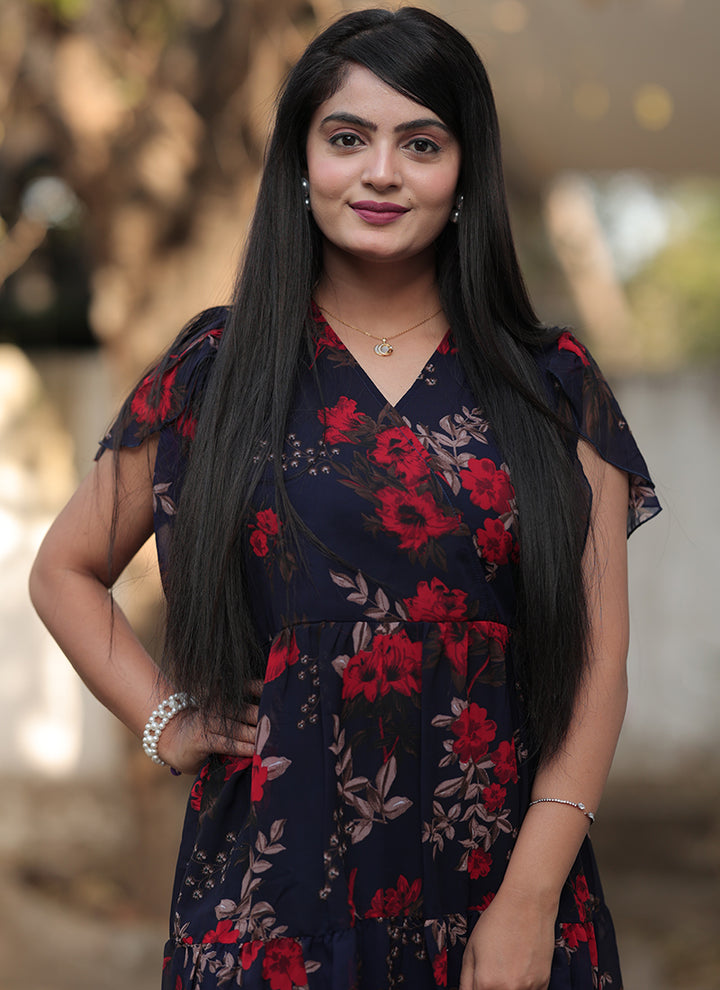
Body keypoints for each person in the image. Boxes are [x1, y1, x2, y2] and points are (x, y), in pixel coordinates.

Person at [30, 7, 661, 989]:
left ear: (465, 174)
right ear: (301, 162)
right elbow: (62, 571)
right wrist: (166, 720)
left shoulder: (555, 386)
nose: (380, 173)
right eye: (346, 138)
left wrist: (532, 898)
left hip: (498, 899)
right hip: (269, 903)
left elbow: (601, 661)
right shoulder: (216, 371)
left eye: (421, 143)